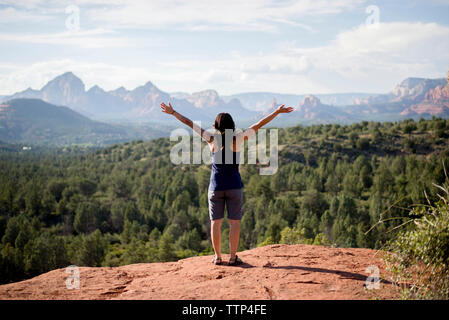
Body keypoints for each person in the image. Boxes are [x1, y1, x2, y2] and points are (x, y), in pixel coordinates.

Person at [160, 101, 293, 265]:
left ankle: (217, 257)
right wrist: (276, 112)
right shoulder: (238, 138)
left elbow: (189, 123)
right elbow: (259, 124)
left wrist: (173, 112)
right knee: (234, 223)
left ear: (216, 125)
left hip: (216, 186)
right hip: (234, 186)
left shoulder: (211, 138)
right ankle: (232, 257)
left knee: (215, 222)